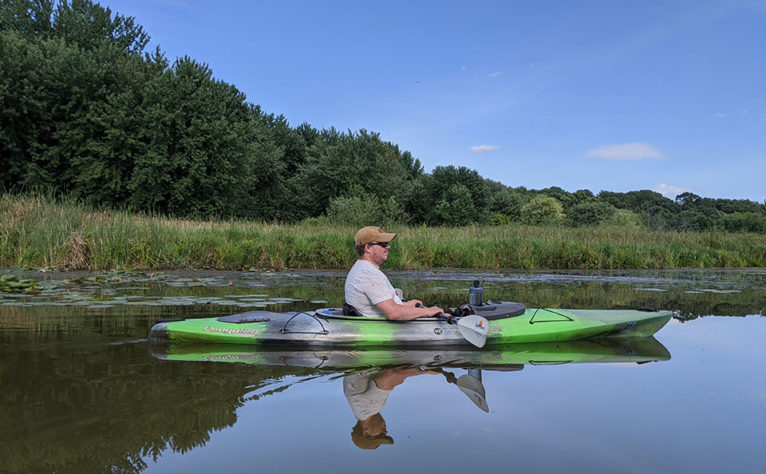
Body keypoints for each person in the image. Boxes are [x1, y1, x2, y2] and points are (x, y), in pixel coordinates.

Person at [344, 226, 444, 320]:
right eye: (383, 244)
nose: (388, 247)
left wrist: (405, 305)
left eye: (387, 243)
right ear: (368, 248)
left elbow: (383, 306)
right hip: (381, 329)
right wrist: (427, 311)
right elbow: (393, 313)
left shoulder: (361, 268)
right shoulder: (369, 274)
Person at [344, 367, 438, 449]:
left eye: (381, 434)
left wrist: (425, 371)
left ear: (366, 432)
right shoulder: (359, 410)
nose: (385, 431)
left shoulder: (369, 408)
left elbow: (392, 374)